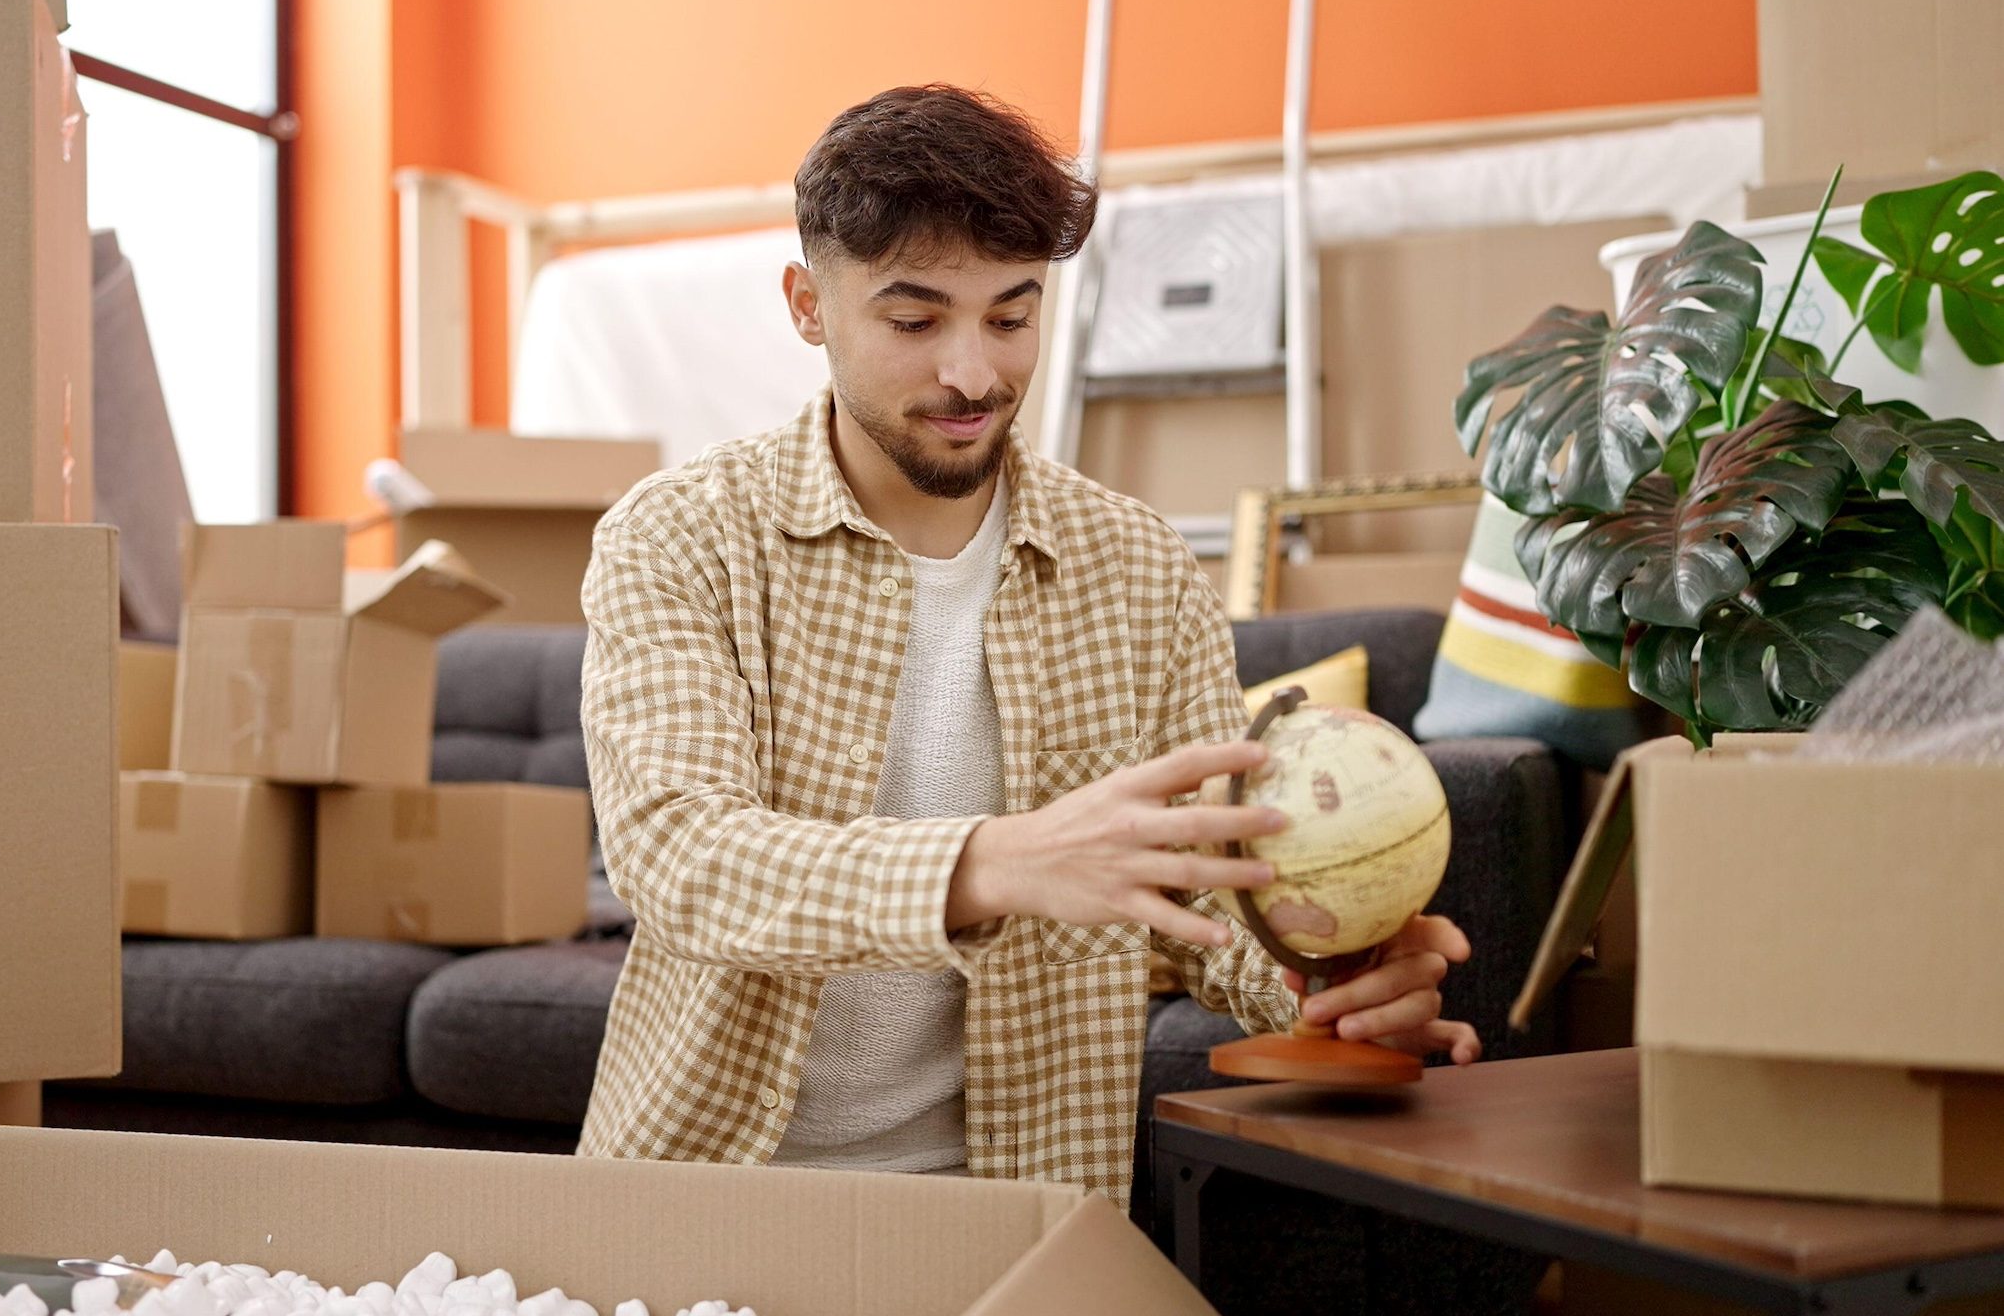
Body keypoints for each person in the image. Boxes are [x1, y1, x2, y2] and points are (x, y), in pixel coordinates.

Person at [575, 84, 1479, 1204]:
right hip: (704, 1197)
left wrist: (1323, 981)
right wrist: (1002, 860)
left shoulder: (1138, 565)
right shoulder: (677, 535)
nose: (973, 375)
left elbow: (1208, 898)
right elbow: (680, 861)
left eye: (1011, 315)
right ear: (808, 304)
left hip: (1023, 1205)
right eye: (914, 322)